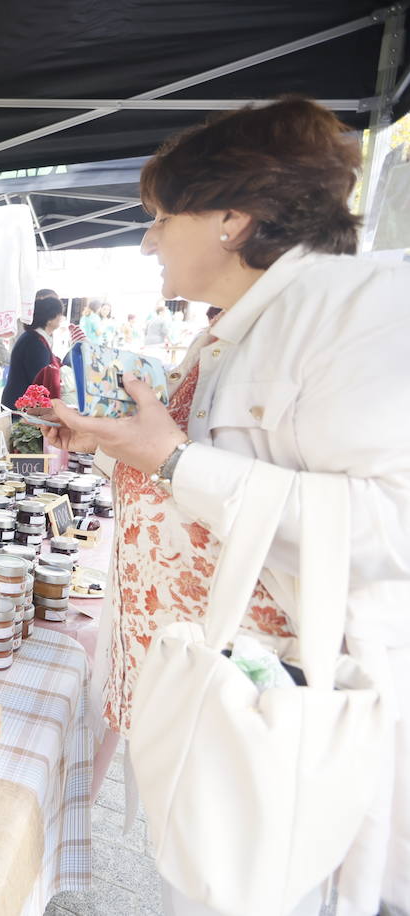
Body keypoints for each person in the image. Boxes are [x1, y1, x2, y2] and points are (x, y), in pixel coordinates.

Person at [45, 98, 410, 915]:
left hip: (278, 719)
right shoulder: (249, 324)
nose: (146, 241)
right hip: (216, 700)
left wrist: (170, 461)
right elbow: (208, 469)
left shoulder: (352, 312)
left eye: (161, 219)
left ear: (232, 220)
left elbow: (391, 526)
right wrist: (127, 446)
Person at [0, 293, 65, 409]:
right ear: (50, 319)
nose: (61, 318)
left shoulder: (35, 338)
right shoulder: (35, 342)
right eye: (60, 314)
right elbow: (40, 379)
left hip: (20, 402)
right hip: (20, 406)